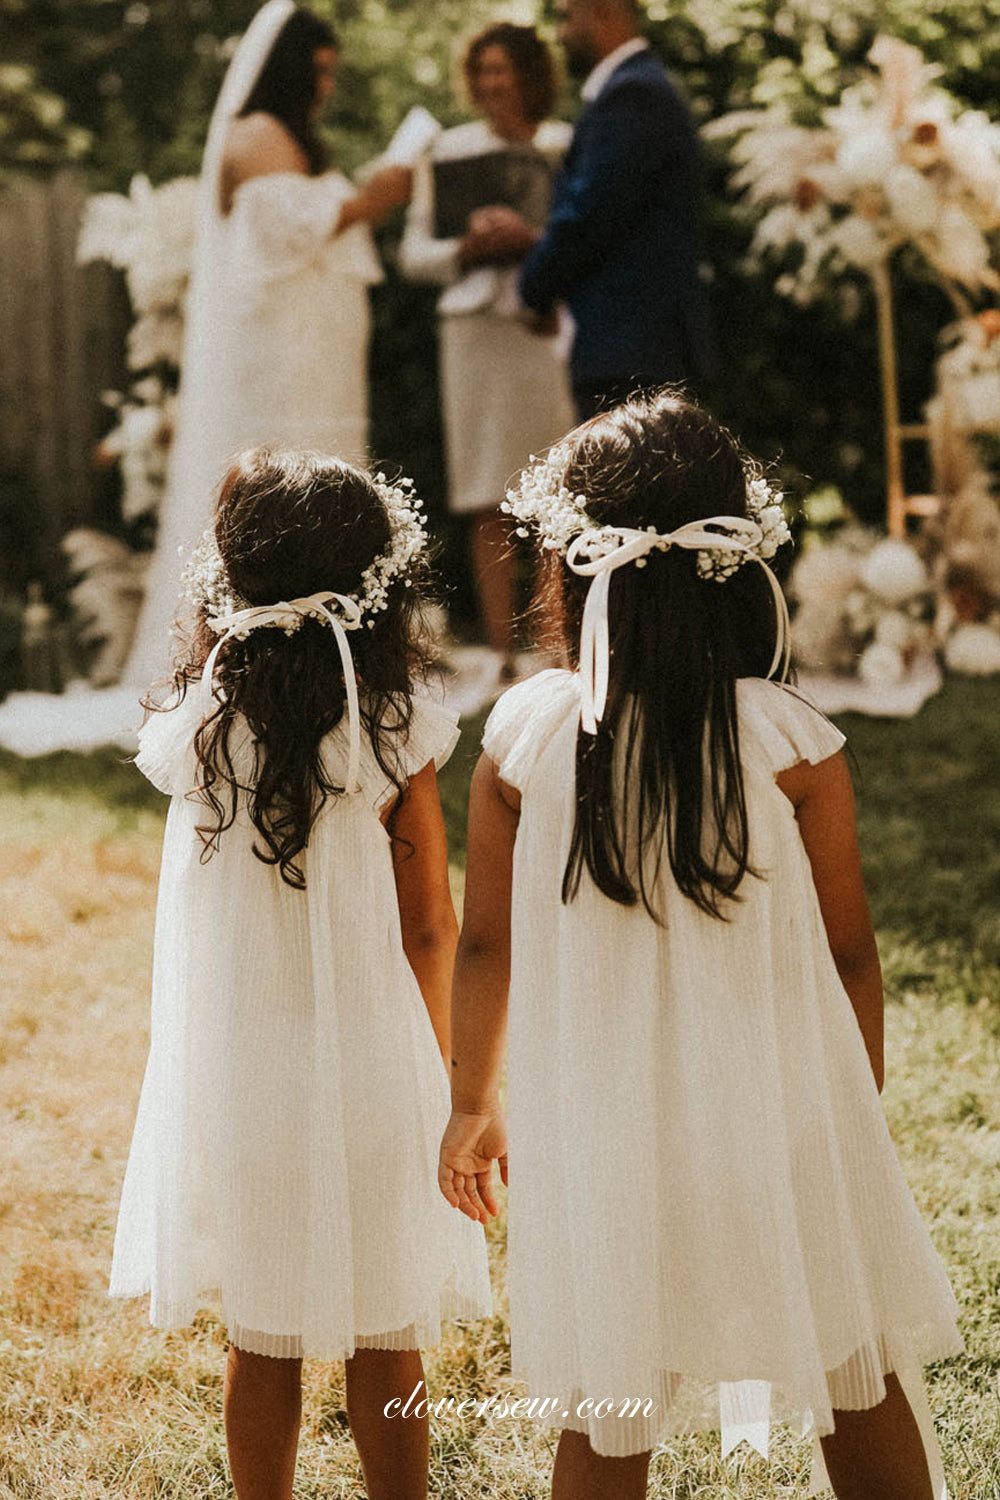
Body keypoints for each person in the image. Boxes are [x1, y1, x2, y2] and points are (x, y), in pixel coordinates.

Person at [438, 391, 962, 1499]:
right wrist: (850, 1110)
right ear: (733, 559)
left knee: (605, 1412)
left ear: (573, 567)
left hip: (600, 1135)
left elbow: (485, 948)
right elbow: (852, 956)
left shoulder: (528, 741)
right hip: (777, 1118)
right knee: (850, 1374)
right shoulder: (786, 742)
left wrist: (473, 1105)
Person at [110, 448, 491, 1500]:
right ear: (379, 582)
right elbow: (429, 924)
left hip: (241, 1077)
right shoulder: (390, 724)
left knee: (262, 1336)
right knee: (387, 1333)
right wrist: (442, 1070)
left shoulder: (198, 726)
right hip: (372, 1067)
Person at [0, 1, 410, 754]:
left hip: (317, 349)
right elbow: (295, 232)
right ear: (286, 70)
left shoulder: (299, 142)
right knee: (283, 485)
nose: (324, 87)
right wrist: (372, 200)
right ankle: (263, 642)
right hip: (280, 355)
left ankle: (332, 637)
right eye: (316, 72)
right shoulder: (254, 137)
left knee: (329, 479)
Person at [400, 22, 574, 678]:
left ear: (531, 75)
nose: (493, 83)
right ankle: (501, 655)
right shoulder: (447, 151)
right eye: (483, 72)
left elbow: (587, 234)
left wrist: (531, 237)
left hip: (544, 326)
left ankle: (558, 644)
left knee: (558, 485)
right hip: (474, 334)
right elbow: (414, 254)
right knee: (484, 494)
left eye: (504, 70)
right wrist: (465, 248)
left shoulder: (565, 145)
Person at [517, 0, 712, 420]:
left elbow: (589, 215)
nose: (561, 33)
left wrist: (534, 288)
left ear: (601, 11)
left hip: (631, 349)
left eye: (567, 17)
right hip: (633, 345)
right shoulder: (637, 88)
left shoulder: (632, 93)